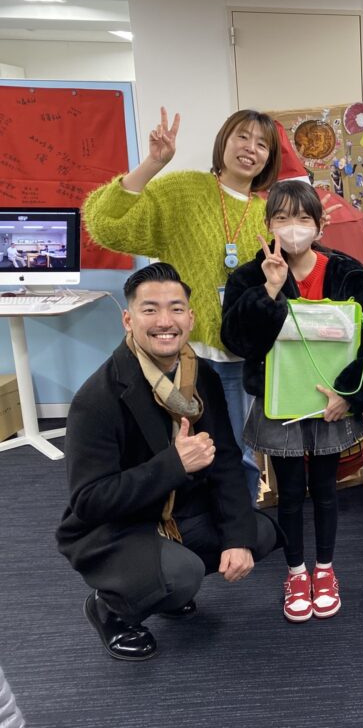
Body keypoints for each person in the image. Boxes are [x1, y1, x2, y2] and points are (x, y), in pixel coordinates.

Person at [56, 263, 278, 661]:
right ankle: (110, 608)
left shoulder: (200, 375)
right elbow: (89, 501)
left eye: (176, 309)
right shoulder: (97, 399)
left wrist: (237, 540)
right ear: (128, 320)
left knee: (256, 533)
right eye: (150, 309)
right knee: (181, 574)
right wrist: (174, 464)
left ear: (190, 318)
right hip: (118, 526)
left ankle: (162, 585)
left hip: (178, 511)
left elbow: (226, 460)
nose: (165, 321)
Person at [83, 107, 282, 504]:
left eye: (262, 144)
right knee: (175, 450)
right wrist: (153, 164)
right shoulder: (185, 190)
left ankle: (239, 527)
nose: (251, 149)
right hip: (182, 354)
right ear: (224, 142)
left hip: (239, 359)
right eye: (242, 137)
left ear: (269, 158)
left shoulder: (268, 214)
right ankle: (183, 524)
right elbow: (106, 224)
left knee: (239, 455)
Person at [220, 180, 363, 622]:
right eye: (282, 217)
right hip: (280, 403)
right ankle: (296, 572)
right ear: (268, 225)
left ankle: (325, 570)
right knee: (291, 491)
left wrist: (351, 395)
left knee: (326, 489)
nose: (293, 227)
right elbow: (237, 341)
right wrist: (269, 291)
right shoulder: (249, 276)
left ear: (320, 225)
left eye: (302, 218)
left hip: (331, 403)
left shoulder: (349, 274)